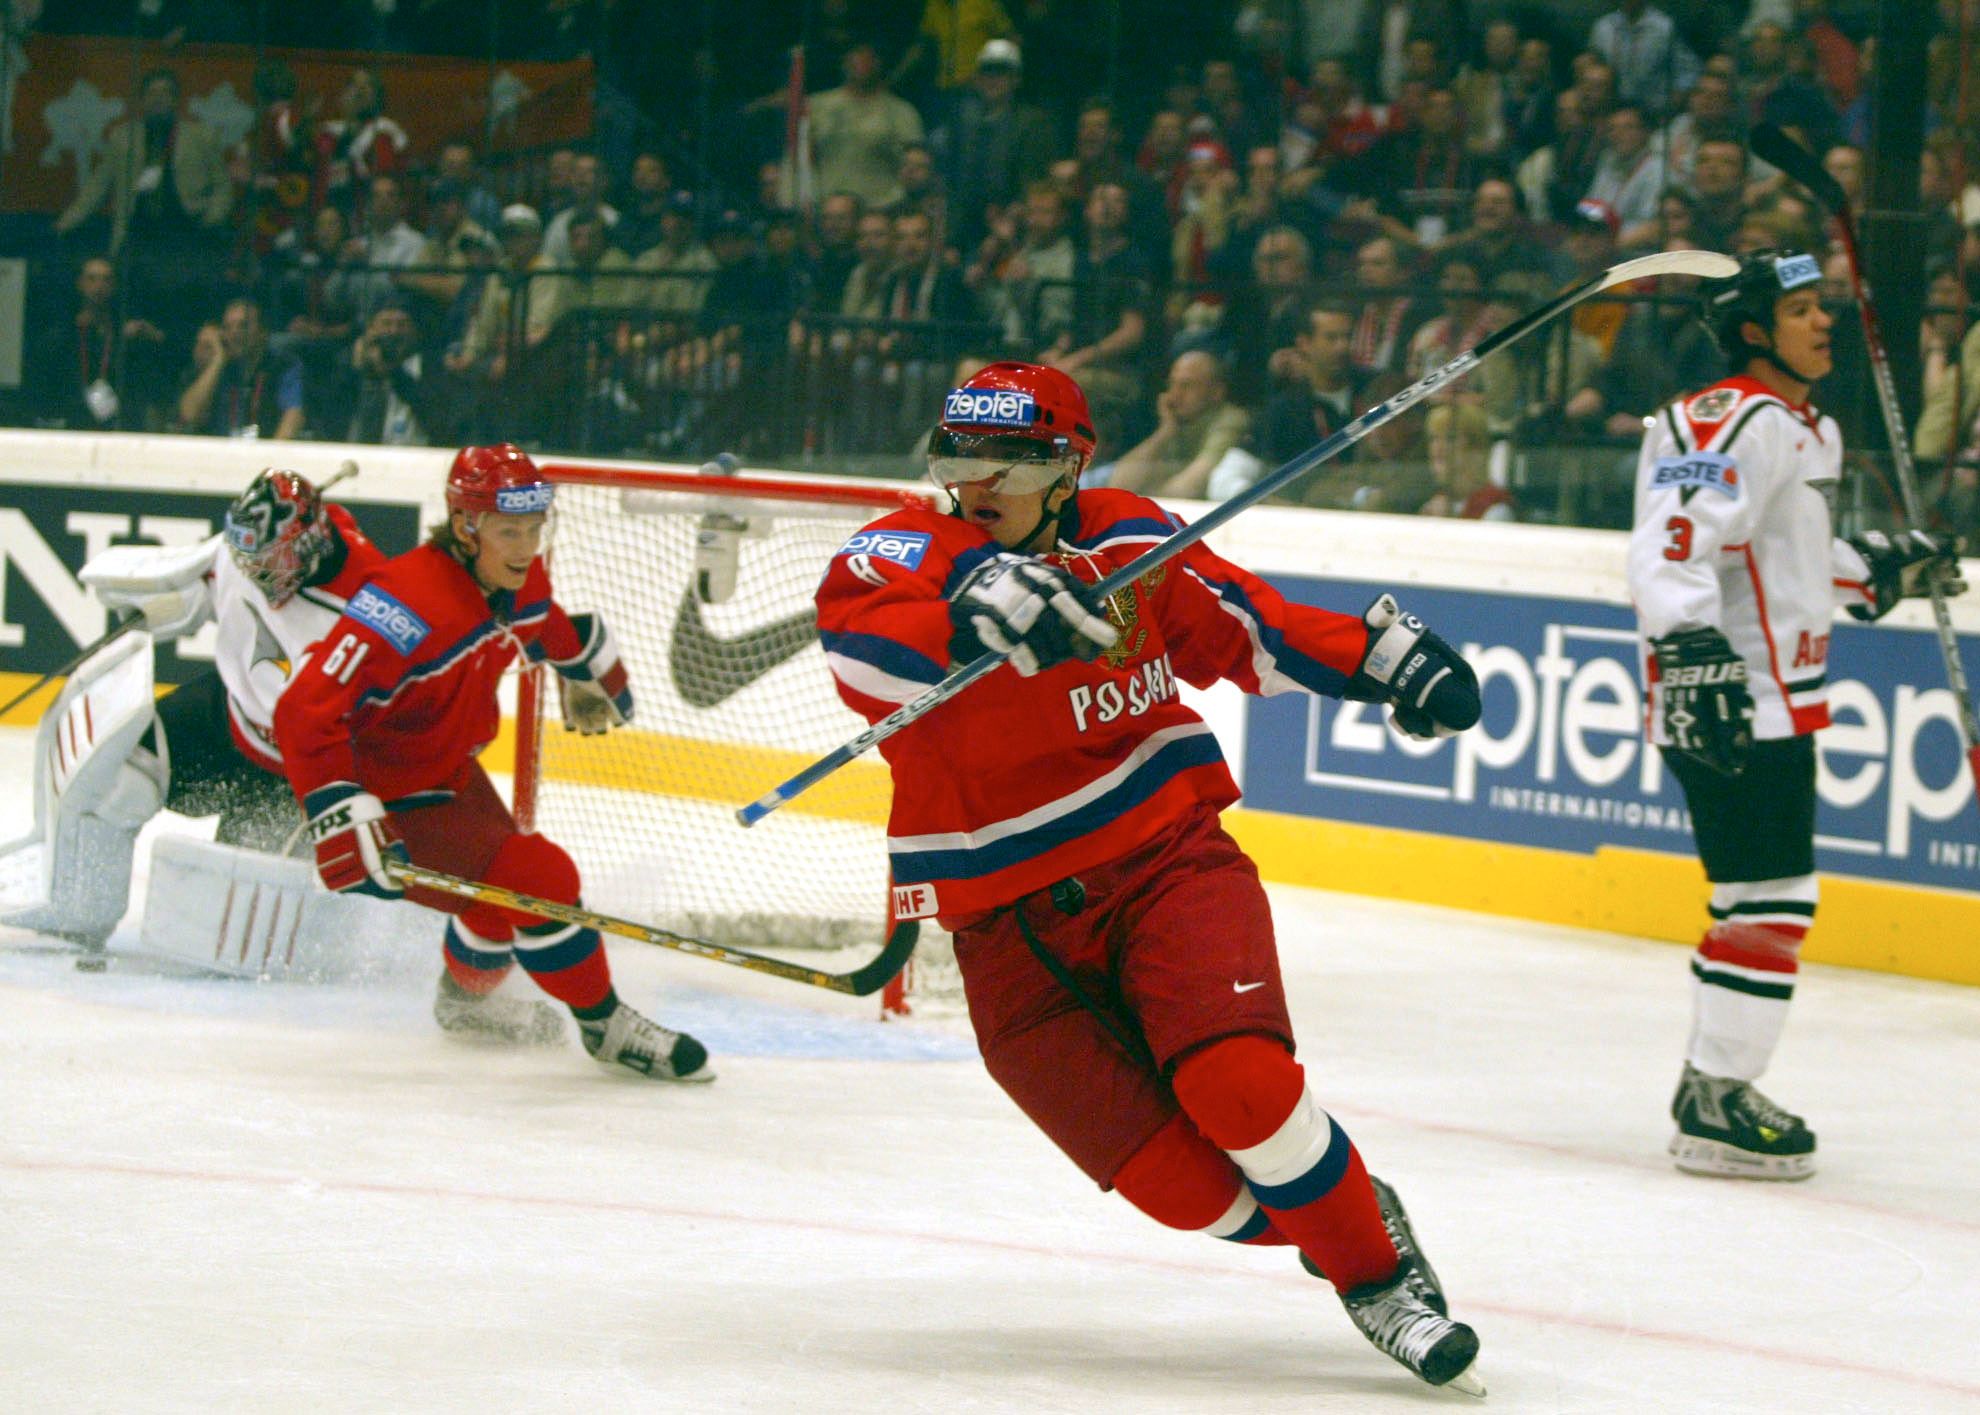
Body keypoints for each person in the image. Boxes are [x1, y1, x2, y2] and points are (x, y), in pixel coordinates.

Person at [814, 362, 1486, 1393]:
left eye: (1007, 465)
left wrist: (1380, 660)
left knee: (1241, 1085)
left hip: (1163, 858)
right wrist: (975, 610)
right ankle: (1350, 1204)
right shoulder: (904, 547)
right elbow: (861, 649)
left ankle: (1377, 1276)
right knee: (1184, 1192)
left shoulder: (1130, 536)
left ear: (1068, 466)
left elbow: (1249, 629)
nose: (977, 484)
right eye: (961, 460)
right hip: (1004, 922)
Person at [1627, 250, 1966, 1180]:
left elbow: (1782, 560)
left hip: (1779, 698)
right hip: (1732, 697)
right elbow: (1673, 543)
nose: (1825, 322)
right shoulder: (1728, 416)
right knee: (1772, 896)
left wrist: (1876, 567)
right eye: (1803, 309)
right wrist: (1688, 647)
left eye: (1826, 306)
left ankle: (1713, 1083)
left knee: (1756, 896)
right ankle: (1718, 1095)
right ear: (1752, 330)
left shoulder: (1803, 428)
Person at [272, 444, 712, 1081]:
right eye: (510, 531)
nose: (526, 548)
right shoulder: (404, 606)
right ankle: (606, 1026)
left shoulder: (517, 578)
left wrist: (576, 664)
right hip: (389, 796)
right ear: (465, 525)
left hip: (448, 771)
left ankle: (463, 1003)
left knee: (491, 905)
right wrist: (335, 809)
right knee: (541, 880)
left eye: (535, 529)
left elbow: (537, 617)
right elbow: (302, 711)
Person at [5, 470, 389, 948]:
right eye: (247, 558)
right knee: (118, 778)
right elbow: (209, 582)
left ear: (309, 546)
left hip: (296, 775)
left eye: (267, 563)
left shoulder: (371, 609)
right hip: (226, 717)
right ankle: (81, 912)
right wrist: (168, 601)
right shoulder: (255, 548)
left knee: (233, 926)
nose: (253, 572)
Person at [178, 297, 307, 440]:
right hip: (219, 451)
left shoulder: (283, 365)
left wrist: (270, 453)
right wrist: (218, 361)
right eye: (227, 327)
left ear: (262, 332)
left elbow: (293, 418)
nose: (234, 333)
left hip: (266, 450)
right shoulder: (217, 368)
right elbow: (189, 415)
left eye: (243, 326)